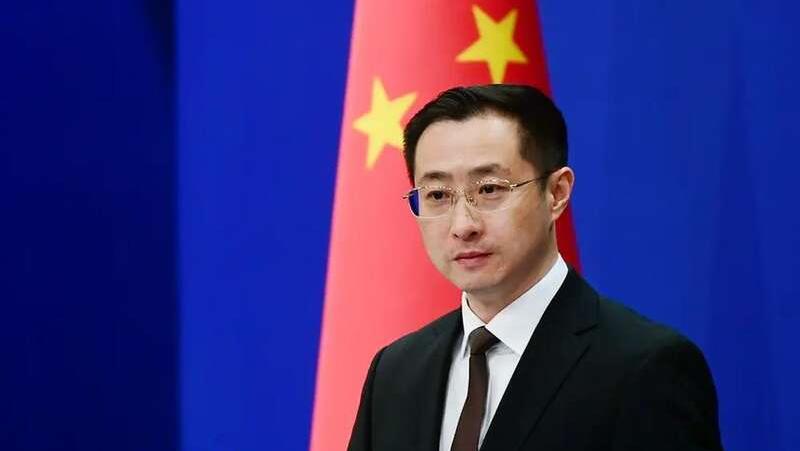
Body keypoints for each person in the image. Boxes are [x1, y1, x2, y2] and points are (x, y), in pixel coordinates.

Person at [347, 84, 722, 451]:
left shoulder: (645, 367)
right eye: (438, 195)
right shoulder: (396, 372)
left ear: (557, 193)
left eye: (489, 189)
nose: (462, 225)